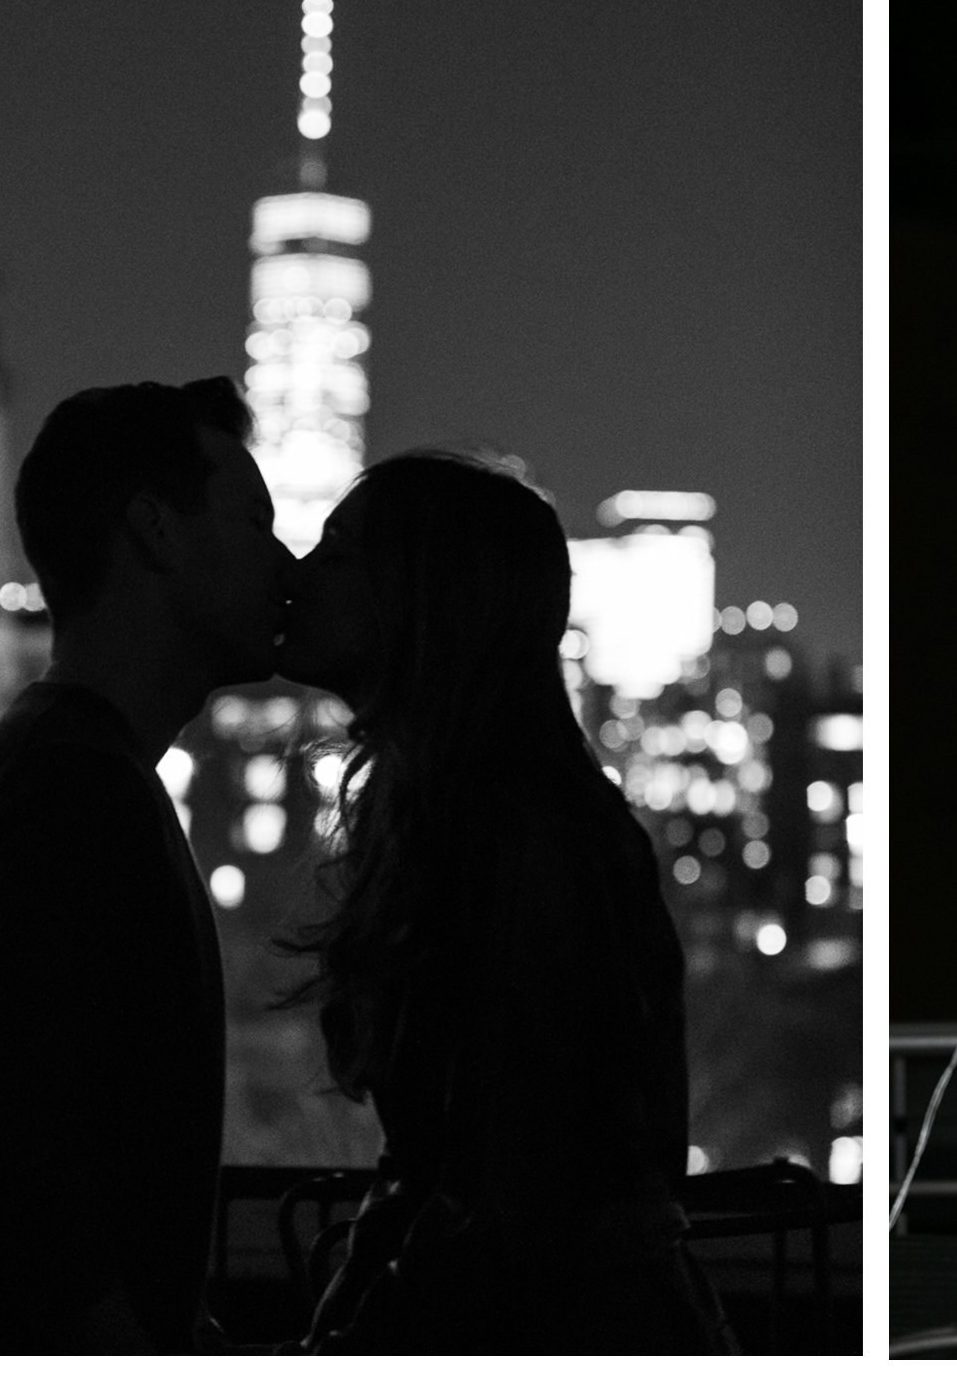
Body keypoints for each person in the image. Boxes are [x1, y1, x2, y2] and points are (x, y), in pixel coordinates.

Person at [0, 379, 293, 1352]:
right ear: (155, 532)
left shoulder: (47, 768)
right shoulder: (72, 792)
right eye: (254, 521)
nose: (283, 558)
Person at [273, 450, 729, 1354]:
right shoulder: (477, 817)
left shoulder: (524, 837)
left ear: (421, 598)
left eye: (336, 554)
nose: (297, 575)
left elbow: (519, 1199)